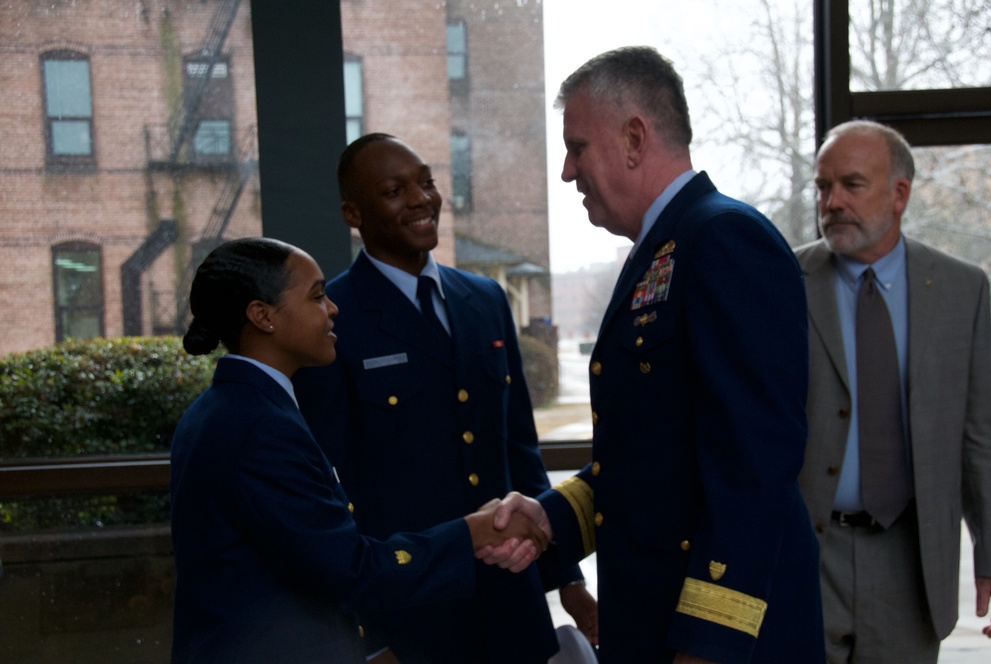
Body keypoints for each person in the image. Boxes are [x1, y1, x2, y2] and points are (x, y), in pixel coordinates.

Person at [488, 46, 825, 663]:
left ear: (635, 138)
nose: (567, 171)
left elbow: (754, 467)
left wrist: (709, 642)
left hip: (712, 640)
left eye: (576, 146)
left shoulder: (723, 238)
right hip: (654, 626)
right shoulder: (663, 250)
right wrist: (547, 519)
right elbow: (648, 463)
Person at [292, 133, 597, 664]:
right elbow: (334, 491)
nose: (420, 199)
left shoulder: (483, 300)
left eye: (427, 182)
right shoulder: (332, 317)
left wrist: (568, 581)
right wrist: (370, 634)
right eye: (394, 190)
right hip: (412, 613)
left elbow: (518, 451)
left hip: (511, 598)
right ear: (352, 212)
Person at [169, 237, 546, 664]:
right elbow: (349, 570)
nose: (332, 308)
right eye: (316, 296)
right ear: (263, 316)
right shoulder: (259, 426)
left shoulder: (223, 408)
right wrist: (473, 532)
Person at [794, 119, 991, 662]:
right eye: (822, 187)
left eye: (851, 185)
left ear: (899, 193)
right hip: (809, 555)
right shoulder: (785, 283)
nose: (832, 201)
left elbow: (982, 436)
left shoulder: (961, 290)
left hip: (911, 559)